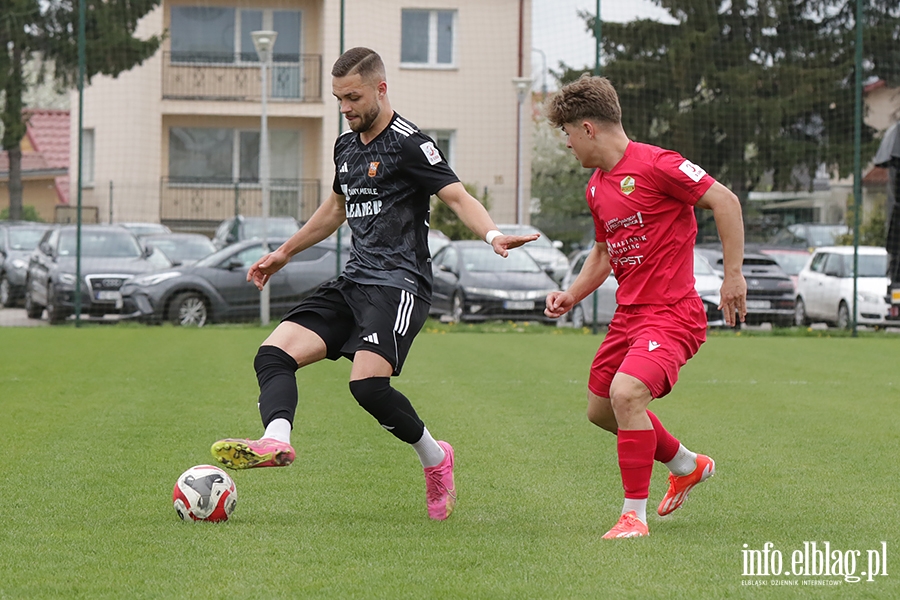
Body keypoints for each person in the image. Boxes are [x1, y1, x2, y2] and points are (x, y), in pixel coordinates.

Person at [210, 47, 538, 521]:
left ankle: (435, 458)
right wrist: (283, 253)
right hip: (355, 280)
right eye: (339, 98)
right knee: (273, 354)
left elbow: (456, 195)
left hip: (400, 283)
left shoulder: (411, 143)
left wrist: (492, 234)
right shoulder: (346, 147)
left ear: (381, 90)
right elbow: (335, 210)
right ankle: (275, 440)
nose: (346, 108)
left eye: (354, 97)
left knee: (366, 387)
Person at [543, 75, 747, 538]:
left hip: (673, 313)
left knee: (627, 394)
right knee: (601, 410)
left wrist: (734, 275)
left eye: (568, 134)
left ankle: (632, 516)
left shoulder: (659, 165)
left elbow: (726, 201)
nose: (568, 145)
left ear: (588, 128)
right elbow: (602, 253)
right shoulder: (596, 187)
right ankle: (686, 464)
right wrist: (572, 294)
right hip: (629, 316)